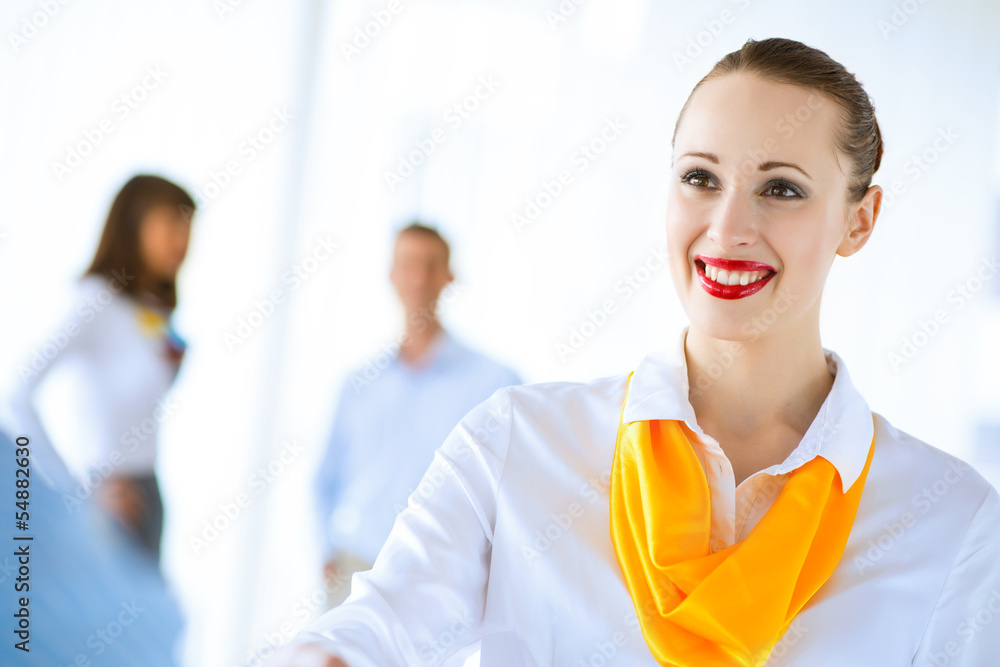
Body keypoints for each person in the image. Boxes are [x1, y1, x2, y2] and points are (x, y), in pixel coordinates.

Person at [275, 38, 1000, 666]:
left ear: (859, 220)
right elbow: (381, 627)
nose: (727, 228)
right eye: (700, 177)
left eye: (781, 188)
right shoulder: (518, 442)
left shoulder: (951, 521)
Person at [314, 222, 522, 606]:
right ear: (391, 275)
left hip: (439, 580)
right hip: (355, 570)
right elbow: (324, 477)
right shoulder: (358, 383)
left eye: (430, 265)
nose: (418, 278)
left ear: (449, 277)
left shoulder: (494, 382)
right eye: (408, 264)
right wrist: (324, 550)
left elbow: (513, 488)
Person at [7, 174, 193, 564]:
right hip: (113, 503)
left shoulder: (149, 311)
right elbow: (17, 393)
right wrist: (76, 494)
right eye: (171, 224)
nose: (182, 241)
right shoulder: (95, 301)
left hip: (148, 497)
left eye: (189, 227)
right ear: (135, 223)